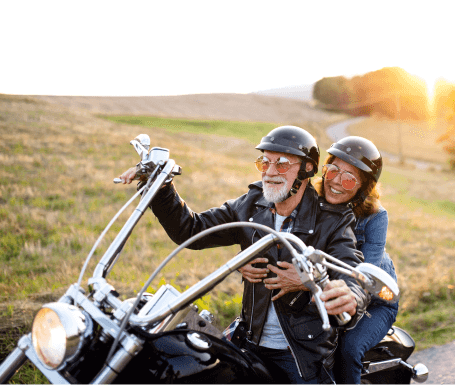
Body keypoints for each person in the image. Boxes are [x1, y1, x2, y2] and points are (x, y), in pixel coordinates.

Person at [119, 126, 368, 385]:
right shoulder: (251, 204)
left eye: (282, 164)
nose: (270, 172)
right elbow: (191, 230)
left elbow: (350, 270)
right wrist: (160, 186)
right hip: (248, 340)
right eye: (265, 162)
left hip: (300, 355)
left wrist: (344, 291)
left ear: (306, 169)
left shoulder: (333, 220)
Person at [242, 136, 398, 385]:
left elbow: (364, 273)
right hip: (326, 290)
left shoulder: (375, 216)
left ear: (364, 187)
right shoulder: (310, 198)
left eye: (349, 178)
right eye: (332, 170)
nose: (336, 182)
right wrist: (247, 258)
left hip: (373, 299)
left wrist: (308, 279)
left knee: (348, 350)